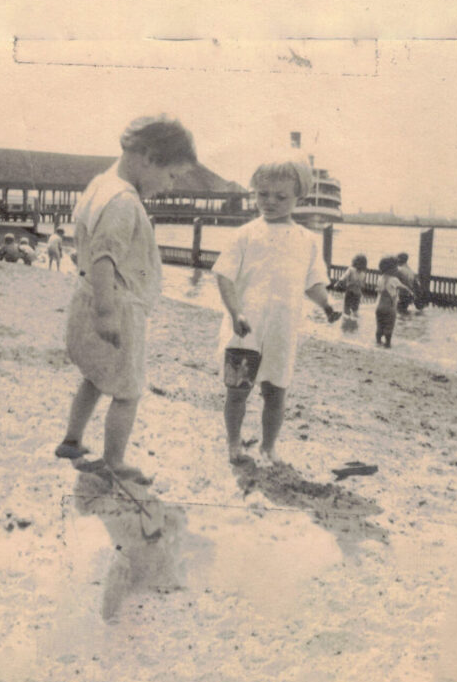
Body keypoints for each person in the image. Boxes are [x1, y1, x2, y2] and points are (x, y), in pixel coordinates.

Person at [54, 115, 197, 485]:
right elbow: (105, 255)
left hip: (88, 298)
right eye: (172, 176)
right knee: (128, 390)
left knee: (97, 376)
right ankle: (114, 460)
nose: (170, 187)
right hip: (114, 306)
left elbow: (85, 241)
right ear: (149, 157)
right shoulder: (123, 201)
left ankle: (72, 440)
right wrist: (106, 313)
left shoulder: (101, 184)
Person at [213, 157, 342, 467]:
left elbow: (311, 283)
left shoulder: (307, 241)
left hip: (283, 330)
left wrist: (327, 305)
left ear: (299, 197)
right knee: (237, 391)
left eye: (281, 197)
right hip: (245, 329)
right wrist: (235, 312)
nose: (269, 202)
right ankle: (234, 443)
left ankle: (269, 447)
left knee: (276, 392)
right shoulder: (245, 234)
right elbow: (224, 275)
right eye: (262, 194)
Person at [375, 256, 415, 348]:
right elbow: (403, 287)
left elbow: (378, 289)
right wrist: (410, 292)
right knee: (389, 326)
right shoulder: (394, 280)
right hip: (390, 308)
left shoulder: (380, 278)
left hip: (379, 307)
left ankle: (378, 342)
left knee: (379, 326)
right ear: (393, 269)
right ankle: (387, 344)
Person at [336, 253, 368, 318]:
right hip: (357, 294)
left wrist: (338, 283)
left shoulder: (351, 269)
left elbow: (344, 277)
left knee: (346, 309)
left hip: (350, 292)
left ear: (354, 262)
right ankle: (355, 323)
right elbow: (363, 286)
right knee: (355, 310)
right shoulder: (363, 273)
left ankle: (347, 323)